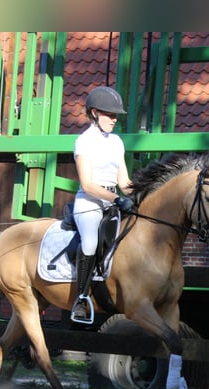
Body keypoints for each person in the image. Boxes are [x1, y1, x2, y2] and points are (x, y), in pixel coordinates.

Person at [71, 86, 135, 324]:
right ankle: (80, 299)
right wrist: (117, 198)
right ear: (95, 113)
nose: (115, 119)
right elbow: (87, 184)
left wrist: (141, 192)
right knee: (90, 242)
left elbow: (124, 182)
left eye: (116, 115)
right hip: (89, 203)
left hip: (112, 204)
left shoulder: (117, 142)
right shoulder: (84, 142)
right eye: (110, 114)